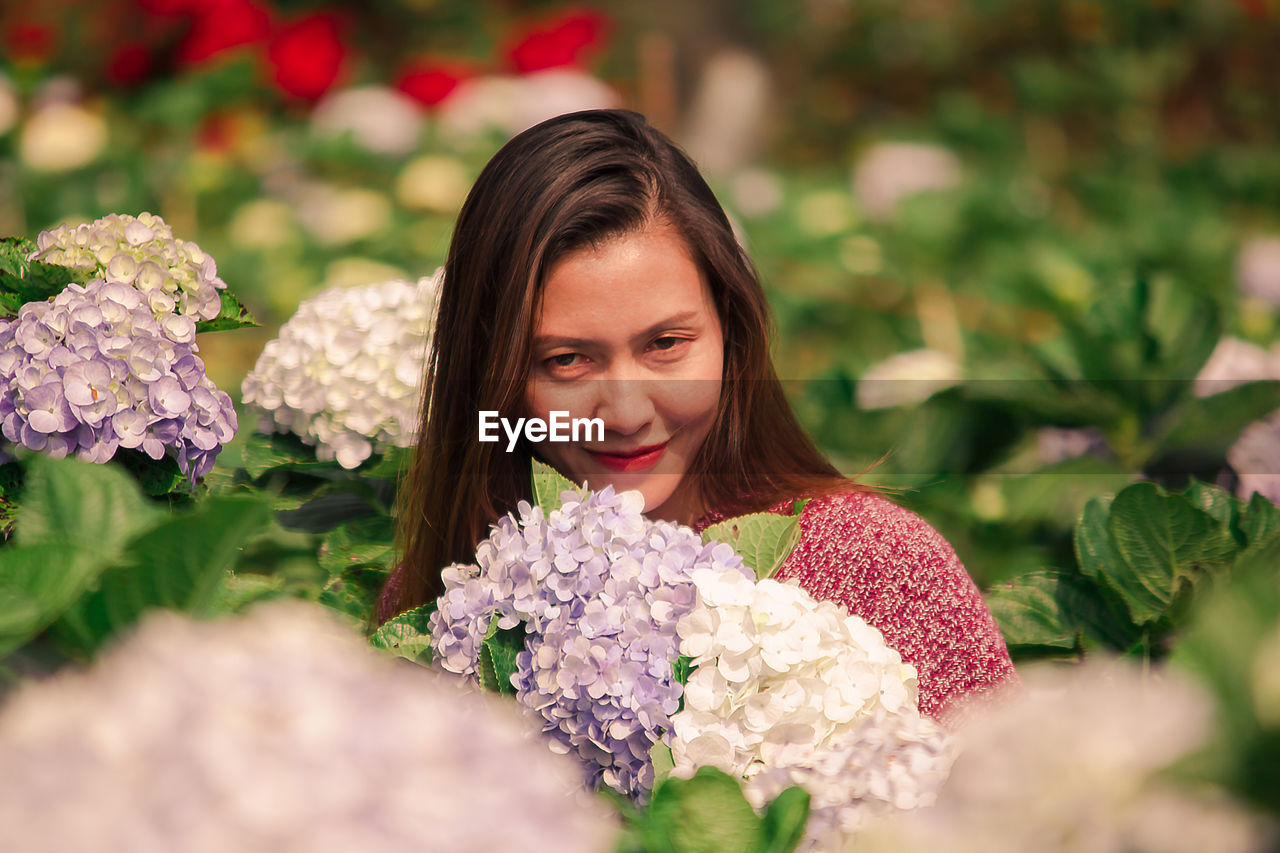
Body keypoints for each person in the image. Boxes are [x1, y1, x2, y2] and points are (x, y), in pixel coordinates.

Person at [379, 109, 1017, 725]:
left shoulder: (879, 567)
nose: (626, 414)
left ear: (730, 332)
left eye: (665, 346)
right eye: (567, 360)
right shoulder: (451, 588)